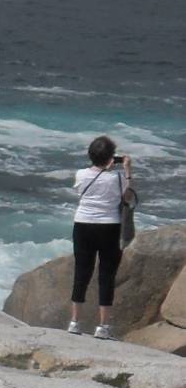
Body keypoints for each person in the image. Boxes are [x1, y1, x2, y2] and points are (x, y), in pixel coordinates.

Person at [69, 134, 133, 339]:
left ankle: (74, 323)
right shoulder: (118, 177)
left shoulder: (80, 174)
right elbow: (128, 197)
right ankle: (103, 327)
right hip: (109, 228)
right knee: (106, 276)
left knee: (81, 273)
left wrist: (107, 164)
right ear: (110, 158)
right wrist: (127, 170)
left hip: (82, 225)